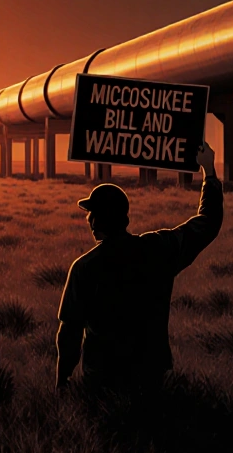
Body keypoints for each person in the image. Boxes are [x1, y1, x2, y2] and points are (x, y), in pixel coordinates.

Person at [56, 143, 223, 394]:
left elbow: (69, 333)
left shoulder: (84, 268)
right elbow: (208, 223)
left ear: (97, 222)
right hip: (151, 376)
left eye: (92, 214)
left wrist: (62, 380)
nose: (88, 219)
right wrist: (209, 171)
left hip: (102, 381)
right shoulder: (158, 249)